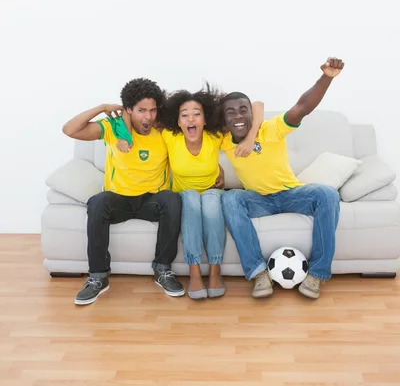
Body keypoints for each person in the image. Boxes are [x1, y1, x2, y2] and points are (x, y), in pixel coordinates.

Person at [118, 84, 264, 300]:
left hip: (212, 191)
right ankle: (194, 271)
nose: (190, 119)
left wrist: (251, 138)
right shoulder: (169, 136)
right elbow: (128, 112)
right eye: (184, 115)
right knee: (192, 199)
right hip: (185, 195)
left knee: (212, 202)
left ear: (205, 120)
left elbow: (258, 105)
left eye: (197, 114)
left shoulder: (215, 137)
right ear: (177, 121)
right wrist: (124, 134)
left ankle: (215, 270)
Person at [220, 58, 344, 300]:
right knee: (231, 198)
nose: (237, 116)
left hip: (291, 195)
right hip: (258, 200)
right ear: (223, 119)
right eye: (230, 112)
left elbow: (302, 107)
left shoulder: (270, 129)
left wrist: (326, 77)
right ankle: (258, 273)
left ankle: (317, 273)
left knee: (327, 194)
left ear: (250, 114)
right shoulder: (222, 141)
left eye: (242, 110)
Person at [62, 78, 185, 305]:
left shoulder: (165, 131)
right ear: (128, 110)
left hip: (151, 201)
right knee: (97, 202)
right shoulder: (113, 128)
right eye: (141, 111)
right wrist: (101, 108)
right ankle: (98, 277)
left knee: (172, 200)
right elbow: (70, 130)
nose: (147, 117)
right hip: (118, 200)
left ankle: (163, 270)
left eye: (152, 110)